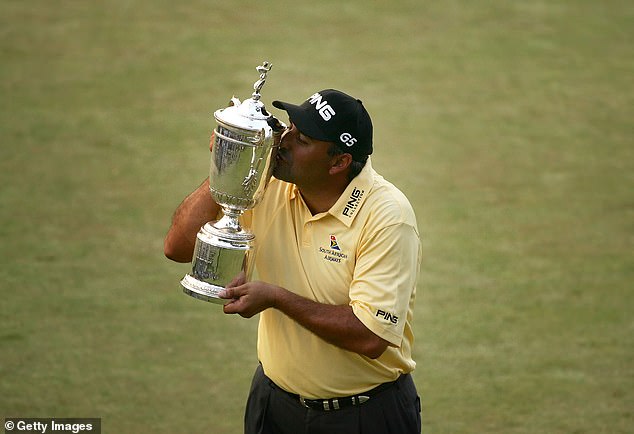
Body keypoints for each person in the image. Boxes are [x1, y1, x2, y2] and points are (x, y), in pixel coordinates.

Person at [164, 89, 422, 434]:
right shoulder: (268, 183)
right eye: (288, 127)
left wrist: (275, 297)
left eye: (302, 139)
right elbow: (178, 248)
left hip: (365, 416)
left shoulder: (387, 216)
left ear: (338, 162)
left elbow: (370, 337)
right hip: (273, 406)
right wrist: (229, 168)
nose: (282, 142)